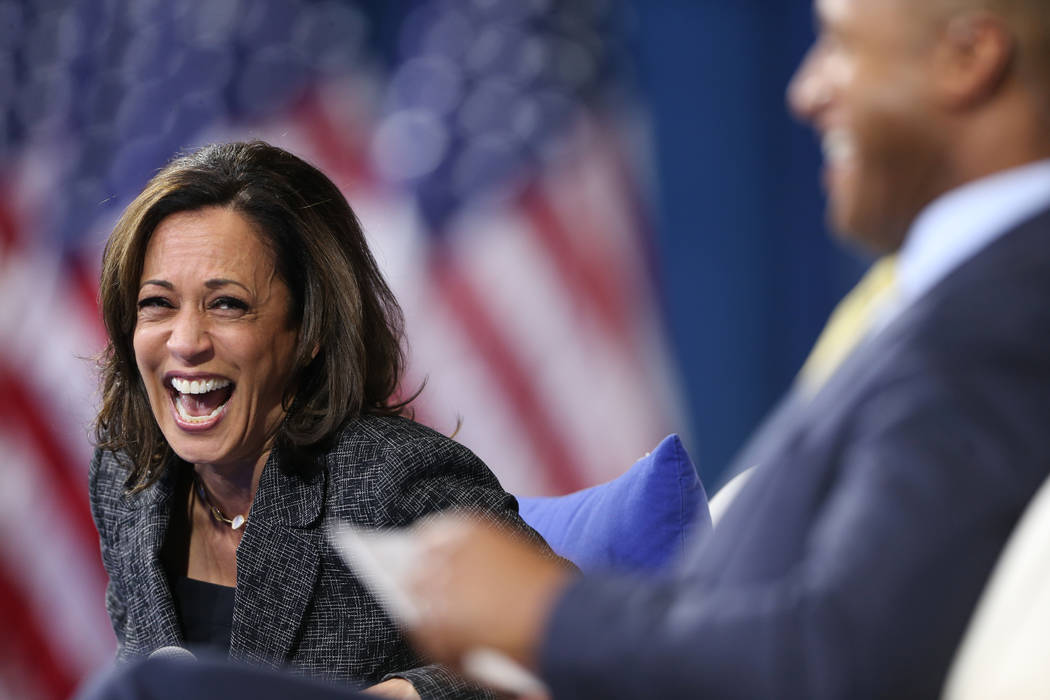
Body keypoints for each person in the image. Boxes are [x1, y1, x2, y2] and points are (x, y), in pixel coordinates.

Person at [401, 0, 1050, 697]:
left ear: (969, 58)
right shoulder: (962, 296)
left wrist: (545, 614)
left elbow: (837, 660)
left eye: (839, 45)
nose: (805, 93)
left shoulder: (1003, 318)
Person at [89, 140, 562, 700]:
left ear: (309, 332)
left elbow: (560, 648)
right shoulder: (126, 480)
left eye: (228, 305)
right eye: (158, 304)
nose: (187, 342)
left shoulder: (390, 478)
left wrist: (405, 696)